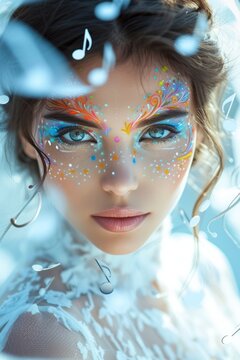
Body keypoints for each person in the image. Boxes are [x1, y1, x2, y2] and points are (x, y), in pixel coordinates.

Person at [0, 0, 240, 358]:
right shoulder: (46, 337)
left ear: (201, 132)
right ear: (26, 137)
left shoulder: (206, 273)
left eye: (158, 132)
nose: (120, 181)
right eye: (76, 135)